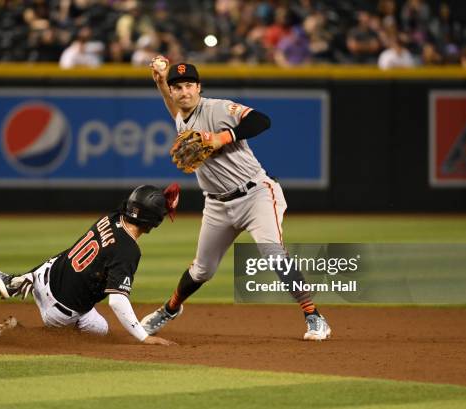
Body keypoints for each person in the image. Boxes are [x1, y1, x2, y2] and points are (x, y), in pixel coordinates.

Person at [140, 59, 332, 341]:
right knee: (201, 271)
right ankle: (169, 309)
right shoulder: (181, 116)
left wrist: (222, 137)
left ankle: (314, 315)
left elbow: (261, 120)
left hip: (256, 194)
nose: (183, 92)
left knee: (272, 253)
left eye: (189, 86)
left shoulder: (217, 108)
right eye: (177, 87)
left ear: (199, 87)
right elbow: (174, 108)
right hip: (217, 205)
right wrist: (159, 82)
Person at [0, 184, 179, 346]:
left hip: (45, 277)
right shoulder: (128, 250)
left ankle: (21, 279)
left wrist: (159, 198)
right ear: (154, 221)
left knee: (67, 261)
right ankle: (19, 333)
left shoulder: (112, 217)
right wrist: (143, 337)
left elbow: (134, 205)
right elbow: (117, 300)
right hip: (59, 313)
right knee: (92, 333)